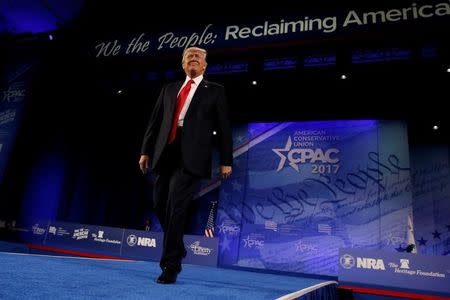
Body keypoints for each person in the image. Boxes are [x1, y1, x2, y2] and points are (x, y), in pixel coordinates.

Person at [139, 46, 233, 284]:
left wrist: (225, 160)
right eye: (188, 56)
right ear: (182, 64)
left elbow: (224, 127)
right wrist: (145, 151)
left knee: (176, 206)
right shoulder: (168, 89)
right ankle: (178, 248)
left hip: (192, 155)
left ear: (204, 66)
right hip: (165, 152)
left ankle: (170, 265)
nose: (193, 59)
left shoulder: (216, 91)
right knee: (160, 204)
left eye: (197, 57)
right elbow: (154, 122)